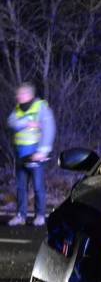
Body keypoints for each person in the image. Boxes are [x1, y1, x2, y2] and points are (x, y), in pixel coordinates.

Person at [7, 82, 55, 226]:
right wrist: (27, 123)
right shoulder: (18, 109)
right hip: (21, 154)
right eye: (18, 94)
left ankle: (40, 215)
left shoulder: (41, 107)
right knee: (21, 187)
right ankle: (21, 216)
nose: (18, 97)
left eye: (21, 94)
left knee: (38, 186)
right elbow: (11, 122)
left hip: (36, 154)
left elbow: (49, 128)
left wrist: (43, 151)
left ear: (29, 95)